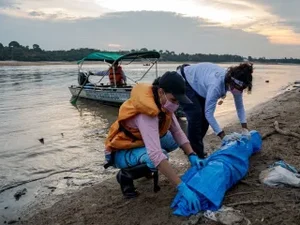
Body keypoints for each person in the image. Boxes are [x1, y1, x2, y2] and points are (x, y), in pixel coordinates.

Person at [104, 71, 202, 211]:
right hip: (120, 151)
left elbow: (177, 132)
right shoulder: (146, 114)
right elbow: (156, 155)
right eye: (174, 100)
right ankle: (125, 176)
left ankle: (145, 168)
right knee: (158, 157)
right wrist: (182, 187)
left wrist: (192, 155)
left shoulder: (163, 103)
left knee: (174, 141)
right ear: (161, 92)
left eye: (178, 101)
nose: (176, 104)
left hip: (138, 142)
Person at [176, 62, 253, 159]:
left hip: (200, 85)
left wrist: (245, 128)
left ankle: (191, 148)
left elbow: (240, 107)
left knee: (204, 122)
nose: (240, 91)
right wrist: (223, 136)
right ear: (231, 82)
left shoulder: (236, 85)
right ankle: (197, 154)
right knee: (195, 115)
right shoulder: (216, 85)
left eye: (242, 89)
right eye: (239, 89)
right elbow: (209, 114)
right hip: (184, 80)